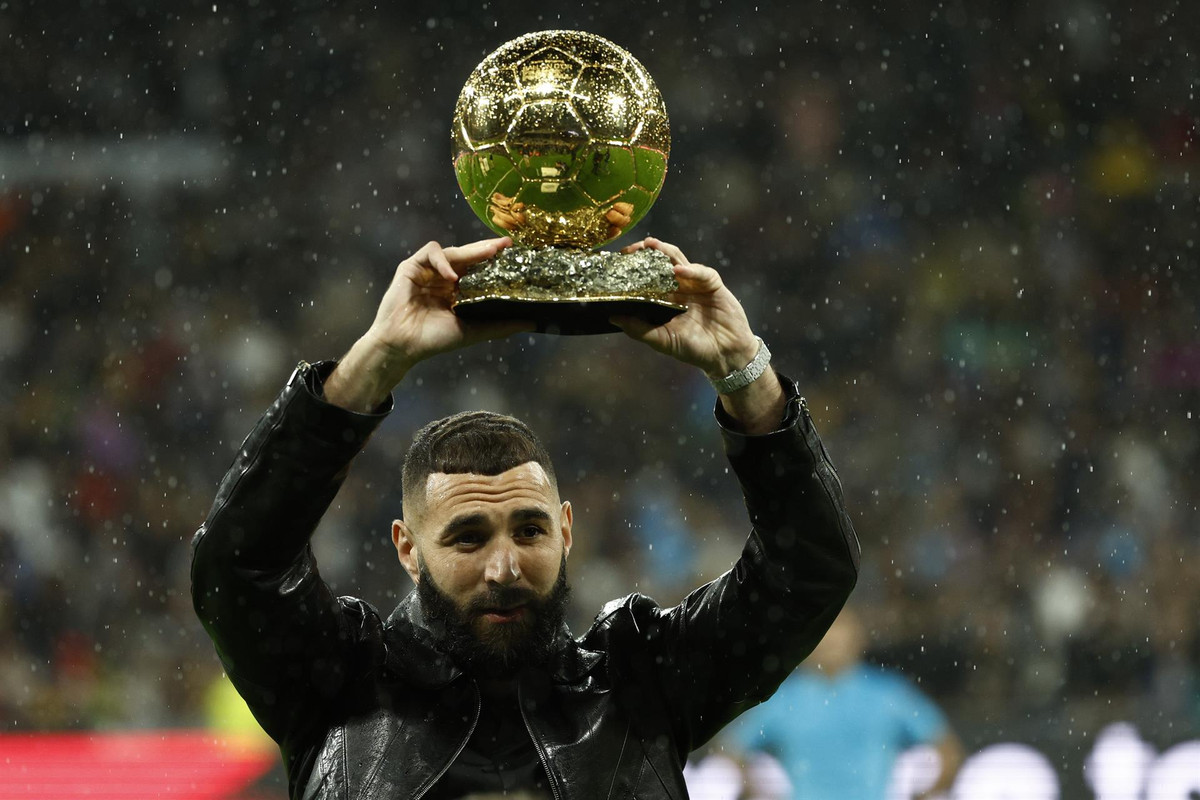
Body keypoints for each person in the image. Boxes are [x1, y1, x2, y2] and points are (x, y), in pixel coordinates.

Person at [190, 235, 861, 799]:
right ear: (407, 548)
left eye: (530, 530)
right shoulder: (338, 679)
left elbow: (809, 571)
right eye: (467, 537)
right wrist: (375, 361)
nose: (505, 565)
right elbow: (236, 566)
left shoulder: (640, 681)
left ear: (567, 530)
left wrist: (742, 370)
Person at [721, 606, 964, 800]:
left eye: (839, 630)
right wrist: (755, 791)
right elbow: (731, 751)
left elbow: (948, 750)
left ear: (859, 638)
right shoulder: (784, 699)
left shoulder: (887, 693)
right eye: (825, 632)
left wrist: (923, 794)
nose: (831, 642)